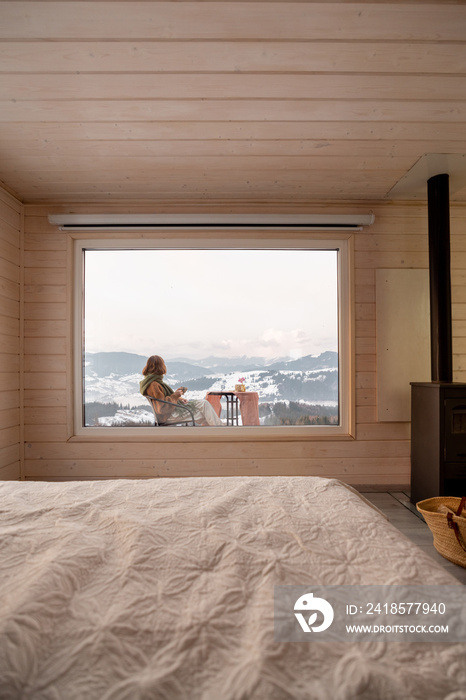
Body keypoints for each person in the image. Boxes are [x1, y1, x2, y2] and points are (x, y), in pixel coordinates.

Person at [140, 355, 223, 426]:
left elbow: (164, 399)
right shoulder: (154, 385)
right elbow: (161, 408)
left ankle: (215, 433)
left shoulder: (153, 381)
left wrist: (179, 398)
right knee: (204, 407)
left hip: (170, 412)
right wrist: (176, 395)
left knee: (205, 410)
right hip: (169, 416)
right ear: (161, 366)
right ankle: (221, 431)